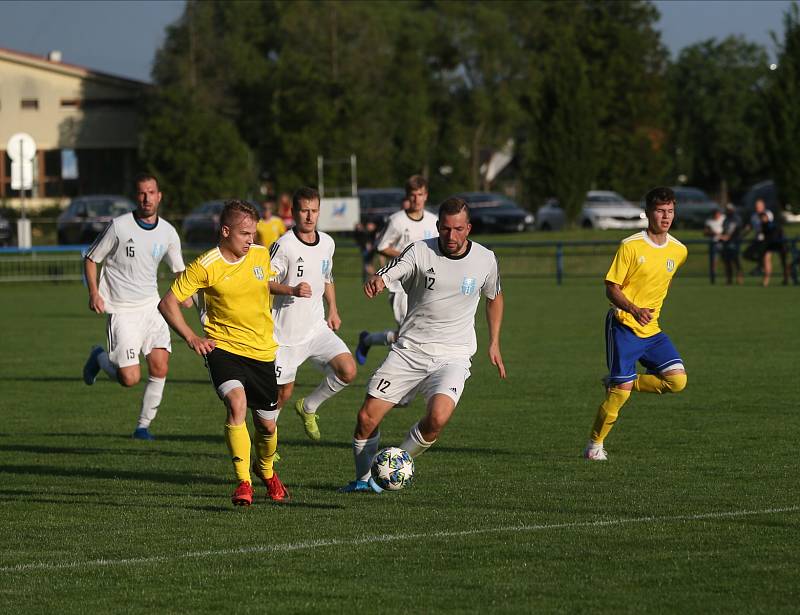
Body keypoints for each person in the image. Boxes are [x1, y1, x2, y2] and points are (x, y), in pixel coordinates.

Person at [339, 197, 506, 493]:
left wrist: (494, 342)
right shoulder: (420, 251)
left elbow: (494, 297)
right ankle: (363, 480)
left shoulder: (485, 259)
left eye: (458, 229)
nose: (451, 236)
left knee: (437, 418)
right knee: (366, 417)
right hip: (411, 350)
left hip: (453, 356)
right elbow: (394, 269)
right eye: (445, 229)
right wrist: (379, 280)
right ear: (438, 226)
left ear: (468, 228)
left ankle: (396, 464)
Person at [158, 200, 297, 506]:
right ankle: (243, 482)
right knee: (236, 403)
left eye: (253, 233)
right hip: (224, 349)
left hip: (262, 351)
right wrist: (192, 337)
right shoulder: (205, 265)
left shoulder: (261, 254)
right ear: (225, 231)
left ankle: (266, 471)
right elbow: (167, 302)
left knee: (267, 425)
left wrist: (291, 290)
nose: (251, 239)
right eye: (245, 233)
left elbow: (263, 283)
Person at [583, 186, 688, 462]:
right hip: (623, 326)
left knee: (677, 381)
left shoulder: (679, 251)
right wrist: (633, 308)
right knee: (620, 396)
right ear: (648, 213)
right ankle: (594, 446)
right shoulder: (630, 246)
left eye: (670, 211)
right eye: (660, 211)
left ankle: (626, 381)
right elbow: (611, 287)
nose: (666, 217)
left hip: (652, 330)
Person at [82, 173, 187, 440]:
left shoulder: (168, 232)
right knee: (129, 378)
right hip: (122, 310)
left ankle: (143, 426)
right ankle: (99, 358)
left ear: (159, 196)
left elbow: (180, 272)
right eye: (142, 193)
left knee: (160, 366)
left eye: (151, 192)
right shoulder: (119, 226)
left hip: (153, 308)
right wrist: (94, 292)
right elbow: (92, 258)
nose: (146, 198)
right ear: (135, 196)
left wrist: (187, 295)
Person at [269, 187, 357, 441]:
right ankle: (267, 448)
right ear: (294, 212)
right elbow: (263, 280)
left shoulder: (328, 243)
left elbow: (327, 277)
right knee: (281, 395)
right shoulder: (284, 245)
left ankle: (309, 406)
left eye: (314, 211)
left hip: (316, 328)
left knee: (348, 370)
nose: (309, 216)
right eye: (304, 211)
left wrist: (334, 310)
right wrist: (291, 289)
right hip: (285, 335)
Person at [355, 175, 439, 365]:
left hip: (425, 284)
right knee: (408, 334)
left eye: (420, 194)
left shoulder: (434, 221)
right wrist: (407, 256)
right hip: (399, 285)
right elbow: (381, 246)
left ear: (426, 196)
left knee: (414, 333)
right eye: (413, 195)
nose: (417, 199)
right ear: (408, 196)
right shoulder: (397, 221)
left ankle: (368, 340)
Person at [758, 210, 790, 286]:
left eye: (764, 216)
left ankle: (786, 279)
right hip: (771, 244)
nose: (762, 218)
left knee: (784, 263)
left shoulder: (772, 225)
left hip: (780, 244)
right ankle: (766, 281)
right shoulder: (763, 225)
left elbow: (775, 235)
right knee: (766, 259)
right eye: (762, 217)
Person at [719, 203, 744, 285]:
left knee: (736, 260)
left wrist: (728, 237)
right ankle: (729, 279)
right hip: (726, 243)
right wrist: (722, 236)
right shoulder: (726, 219)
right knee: (727, 261)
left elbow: (736, 230)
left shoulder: (736, 219)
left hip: (734, 242)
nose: (728, 211)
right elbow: (724, 230)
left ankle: (739, 278)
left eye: (729, 210)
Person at [703, 208, 724, 284]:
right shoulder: (709, 221)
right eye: (715, 214)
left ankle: (730, 278)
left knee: (727, 261)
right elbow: (705, 233)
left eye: (718, 214)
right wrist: (712, 233)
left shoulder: (724, 218)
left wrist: (723, 235)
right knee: (713, 262)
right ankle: (713, 279)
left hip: (723, 242)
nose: (717, 216)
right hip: (714, 243)